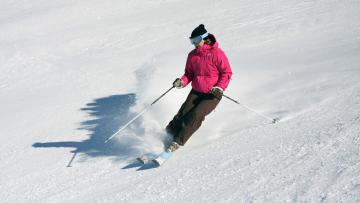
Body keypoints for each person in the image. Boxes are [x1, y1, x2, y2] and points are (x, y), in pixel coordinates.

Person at [165, 24, 233, 152]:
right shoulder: (192, 55)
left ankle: (177, 141)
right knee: (183, 113)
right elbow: (189, 73)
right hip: (196, 91)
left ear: (204, 38)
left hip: (212, 94)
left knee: (196, 115)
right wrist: (182, 82)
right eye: (192, 41)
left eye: (196, 41)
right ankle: (167, 134)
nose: (194, 44)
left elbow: (227, 73)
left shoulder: (217, 53)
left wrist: (219, 87)